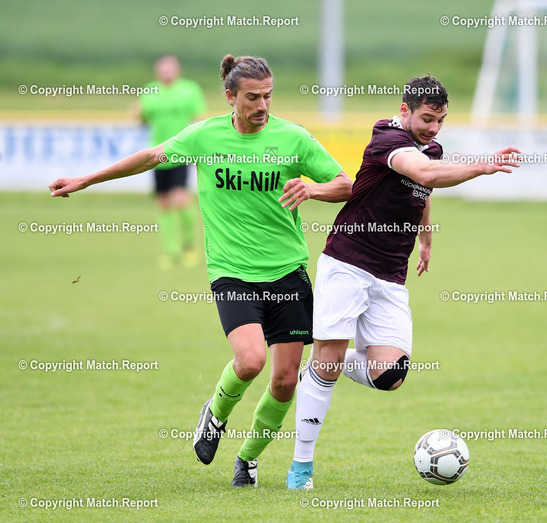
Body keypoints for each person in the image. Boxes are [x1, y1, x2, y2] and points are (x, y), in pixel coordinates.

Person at [48, 54, 353, 488]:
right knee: (250, 361)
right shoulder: (205, 135)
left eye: (268, 96)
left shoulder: (294, 138)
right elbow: (151, 156)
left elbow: (346, 184)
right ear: (230, 96)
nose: (263, 105)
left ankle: (247, 459)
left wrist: (313, 189)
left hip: (287, 271)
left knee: (286, 381)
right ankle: (216, 413)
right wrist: (86, 180)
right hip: (231, 270)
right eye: (253, 97)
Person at [287, 74, 521, 490]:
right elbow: (424, 174)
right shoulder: (387, 140)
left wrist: (426, 236)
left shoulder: (430, 148)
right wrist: (482, 166)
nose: (434, 128)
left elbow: (422, 188)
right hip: (348, 262)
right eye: (427, 119)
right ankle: (300, 468)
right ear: (404, 111)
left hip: (391, 274)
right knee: (326, 366)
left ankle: (326, 361)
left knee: (390, 375)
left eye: (441, 121)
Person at [135, 55, 207, 269]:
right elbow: (143, 119)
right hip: (157, 155)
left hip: (180, 152)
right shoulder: (149, 91)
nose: (166, 73)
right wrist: (137, 114)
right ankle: (171, 252)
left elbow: (198, 119)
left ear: (177, 70)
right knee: (164, 203)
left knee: (180, 199)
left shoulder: (189, 90)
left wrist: (198, 148)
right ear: (157, 71)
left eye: (170, 69)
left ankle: (189, 246)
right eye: (163, 69)